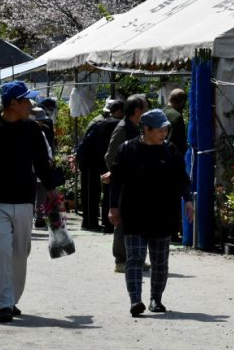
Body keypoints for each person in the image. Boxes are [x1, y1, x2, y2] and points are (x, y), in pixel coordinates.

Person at [0, 81, 61, 323]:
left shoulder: (32, 130)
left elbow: (41, 163)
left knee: (20, 251)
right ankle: (3, 304)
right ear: (13, 103)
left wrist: (51, 190)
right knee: (2, 250)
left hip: (24, 199)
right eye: (27, 100)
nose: (31, 105)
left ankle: (12, 298)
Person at [109, 109, 194, 316]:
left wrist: (188, 200)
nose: (163, 134)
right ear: (145, 129)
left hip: (163, 213)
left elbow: (181, 178)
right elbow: (116, 181)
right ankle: (135, 300)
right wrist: (113, 208)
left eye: (165, 130)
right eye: (159, 130)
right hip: (134, 212)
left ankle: (156, 299)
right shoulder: (127, 149)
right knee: (135, 258)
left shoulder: (170, 150)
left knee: (159, 260)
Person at [104, 93, 148, 272]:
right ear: (137, 110)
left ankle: (135, 257)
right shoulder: (123, 128)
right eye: (145, 107)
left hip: (137, 184)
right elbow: (110, 156)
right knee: (122, 221)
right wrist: (118, 174)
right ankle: (121, 259)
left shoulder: (136, 127)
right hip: (124, 184)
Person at [73, 99, 124, 231]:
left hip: (94, 160)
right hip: (96, 160)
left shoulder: (102, 122)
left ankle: (91, 221)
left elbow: (88, 141)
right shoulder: (111, 124)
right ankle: (97, 222)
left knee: (93, 191)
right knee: (99, 191)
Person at [163, 88, 188, 156]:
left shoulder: (161, 112)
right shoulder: (177, 117)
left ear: (169, 98)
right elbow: (178, 142)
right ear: (182, 102)